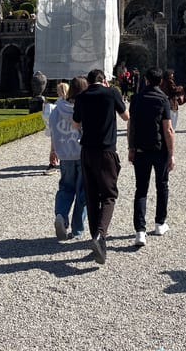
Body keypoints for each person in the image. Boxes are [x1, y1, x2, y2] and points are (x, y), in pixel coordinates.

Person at [72, 68, 129, 265]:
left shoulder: (82, 96)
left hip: (87, 152)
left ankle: (95, 238)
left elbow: (75, 124)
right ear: (104, 80)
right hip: (106, 151)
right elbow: (126, 116)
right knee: (109, 195)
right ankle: (100, 236)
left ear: (88, 82)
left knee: (92, 196)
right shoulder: (111, 92)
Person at [127, 66, 175, 247]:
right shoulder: (163, 99)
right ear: (161, 81)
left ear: (146, 80)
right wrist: (171, 153)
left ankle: (140, 231)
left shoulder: (136, 98)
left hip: (140, 150)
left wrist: (131, 148)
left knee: (141, 190)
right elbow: (168, 129)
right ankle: (160, 223)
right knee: (162, 186)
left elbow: (131, 125)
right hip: (159, 149)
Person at [49, 77, 88, 240]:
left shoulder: (57, 108)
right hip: (82, 153)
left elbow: (53, 130)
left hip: (64, 154)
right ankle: (77, 229)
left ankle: (61, 215)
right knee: (83, 192)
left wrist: (53, 151)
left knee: (65, 187)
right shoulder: (85, 107)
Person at [43, 81, 69, 174]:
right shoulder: (67, 102)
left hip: (59, 127)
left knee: (55, 146)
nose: (57, 92)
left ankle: (53, 164)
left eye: (58, 90)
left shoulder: (61, 102)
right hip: (64, 128)